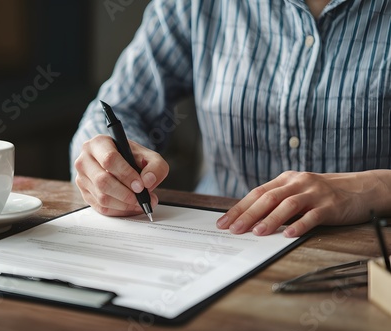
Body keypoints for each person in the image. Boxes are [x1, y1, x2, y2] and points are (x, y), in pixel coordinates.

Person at [70, 0, 391, 238]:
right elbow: (119, 108)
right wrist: (106, 163)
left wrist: (376, 189)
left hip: (367, 257)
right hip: (221, 239)